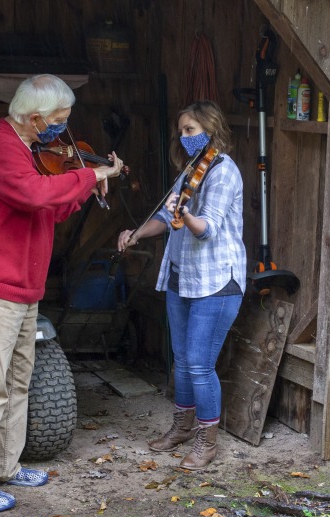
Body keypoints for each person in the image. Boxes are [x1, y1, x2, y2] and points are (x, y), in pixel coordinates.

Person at [0, 74, 124, 513]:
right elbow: (32, 194)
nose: (62, 130)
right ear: (36, 117)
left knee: (15, 382)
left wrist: (85, 186)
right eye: (59, 121)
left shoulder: (32, 151)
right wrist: (90, 173)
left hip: (23, 286)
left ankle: (3, 467)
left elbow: (51, 207)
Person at [117, 100, 245, 471]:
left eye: (191, 130)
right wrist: (137, 234)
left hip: (217, 281)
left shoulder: (223, 172)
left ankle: (207, 441)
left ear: (211, 130)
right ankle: (182, 427)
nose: (183, 136)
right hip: (181, 277)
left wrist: (185, 215)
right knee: (183, 361)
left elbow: (207, 229)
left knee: (200, 364)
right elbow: (163, 216)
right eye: (182, 130)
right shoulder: (192, 169)